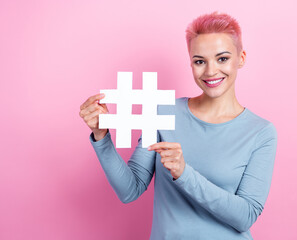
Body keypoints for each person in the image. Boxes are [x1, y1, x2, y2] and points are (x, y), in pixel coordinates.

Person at [79, 11, 278, 240]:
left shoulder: (260, 132)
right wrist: (101, 136)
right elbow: (129, 190)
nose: (211, 71)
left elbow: (246, 216)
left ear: (240, 58)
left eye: (222, 58)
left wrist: (184, 173)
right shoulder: (163, 112)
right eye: (200, 61)